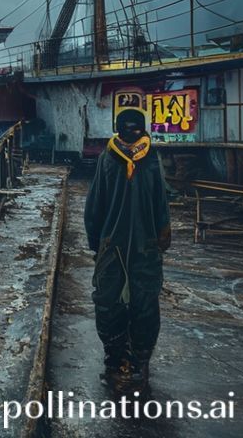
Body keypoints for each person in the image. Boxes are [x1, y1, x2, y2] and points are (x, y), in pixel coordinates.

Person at [84, 108, 171, 397]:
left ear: (144, 130)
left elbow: (160, 199)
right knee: (107, 302)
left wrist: (163, 231)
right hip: (113, 244)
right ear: (118, 129)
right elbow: (95, 204)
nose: (132, 133)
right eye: (127, 128)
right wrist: (96, 242)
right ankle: (114, 354)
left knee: (146, 304)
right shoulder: (108, 159)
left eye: (137, 128)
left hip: (145, 245)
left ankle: (139, 360)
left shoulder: (150, 159)